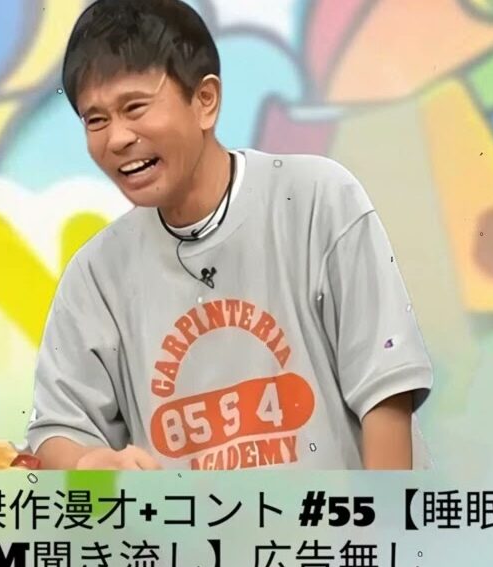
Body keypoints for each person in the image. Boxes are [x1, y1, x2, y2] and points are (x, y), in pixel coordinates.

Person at [27, 0, 433, 471]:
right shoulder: (96, 275)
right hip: (196, 524)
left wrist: (384, 517)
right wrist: (88, 464)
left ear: (205, 101)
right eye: (95, 120)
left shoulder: (317, 199)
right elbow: (55, 431)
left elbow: (385, 392)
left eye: (134, 107)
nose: (116, 138)